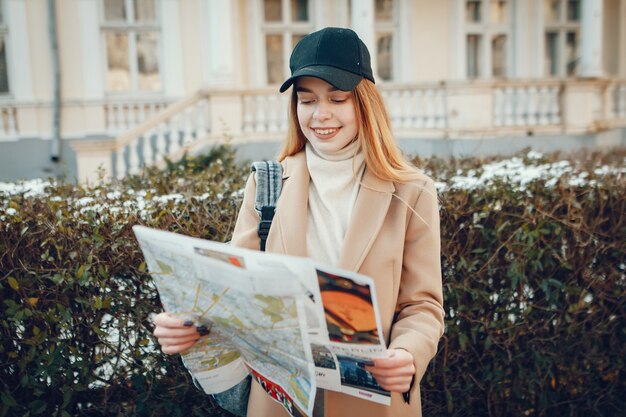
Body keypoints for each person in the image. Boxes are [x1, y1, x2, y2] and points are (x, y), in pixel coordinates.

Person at [152, 27, 444, 417]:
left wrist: (408, 353)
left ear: (365, 103)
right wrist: (191, 325)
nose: (320, 115)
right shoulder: (267, 183)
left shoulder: (412, 191)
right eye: (306, 100)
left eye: (337, 99)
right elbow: (233, 292)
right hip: (280, 403)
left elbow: (422, 306)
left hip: (373, 403)